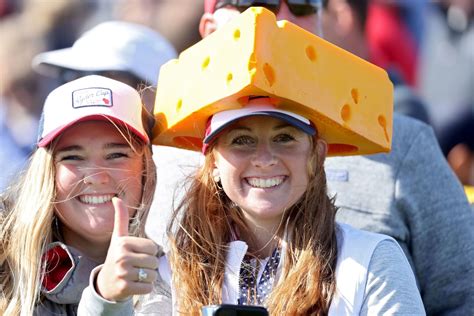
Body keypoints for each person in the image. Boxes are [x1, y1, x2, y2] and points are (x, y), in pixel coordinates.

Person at [172, 0, 473, 314]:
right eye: (258, 4)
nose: (282, 19)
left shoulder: (404, 146)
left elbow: (463, 295)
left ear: (319, 152)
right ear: (211, 158)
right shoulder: (166, 165)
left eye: (302, 5)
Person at [0, 75, 158, 315]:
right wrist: (105, 299)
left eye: (116, 155)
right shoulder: (6, 271)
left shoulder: (189, 268)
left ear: (146, 167)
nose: (96, 175)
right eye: (73, 157)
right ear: (47, 173)